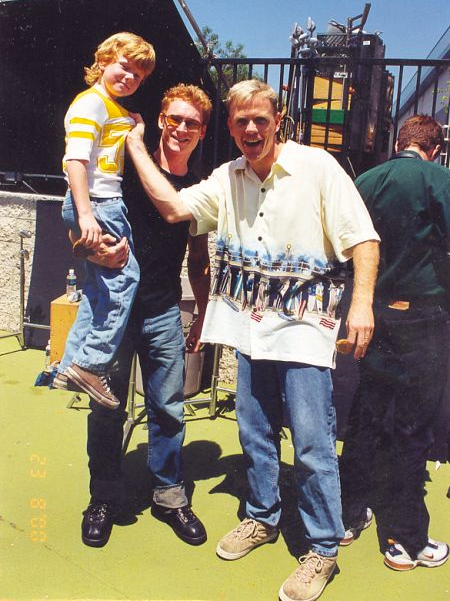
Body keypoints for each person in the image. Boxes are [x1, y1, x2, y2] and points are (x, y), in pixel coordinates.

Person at [125, 79, 380, 601]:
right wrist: (133, 146)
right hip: (250, 329)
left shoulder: (318, 168)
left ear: (278, 117)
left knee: (311, 445)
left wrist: (362, 303)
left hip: (306, 332)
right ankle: (262, 517)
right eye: (240, 120)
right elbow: (174, 208)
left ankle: (323, 550)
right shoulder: (227, 177)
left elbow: (363, 239)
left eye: (259, 118)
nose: (250, 129)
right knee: (255, 434)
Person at [58, 84, 212, 549]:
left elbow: (199, 258)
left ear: (202, 133)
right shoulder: (120, 173)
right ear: (161, 119)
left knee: (168, 408)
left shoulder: (200, 189)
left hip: (164, 311)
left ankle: (169, 496)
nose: (180, 129)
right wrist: (90, 252)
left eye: (191, 123)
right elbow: (78, 232)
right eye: (174, 119)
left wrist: (203, 312)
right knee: (107, 409)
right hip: (113, 314)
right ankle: (102, 496)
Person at [339, 114, 450, 571]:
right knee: (414, 425)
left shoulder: (367, 179)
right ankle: (406, 539)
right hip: (425, 316)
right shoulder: (440, 179)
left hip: (373, 313)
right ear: (435, 148)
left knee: (367, 411)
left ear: (399, 141)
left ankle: (348, 514)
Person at [55, 32, 156, 409]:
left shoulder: (112, 108)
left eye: (138, 76)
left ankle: (70, 366)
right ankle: (92, 362)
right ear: (102, 61)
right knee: (124, 277)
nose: (129, 78)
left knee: (98, 292)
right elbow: (75, 161)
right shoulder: (90, 104)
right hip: (98, 202)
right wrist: (86, 214)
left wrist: (134, 126)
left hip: (101, 202)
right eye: (124, 67)